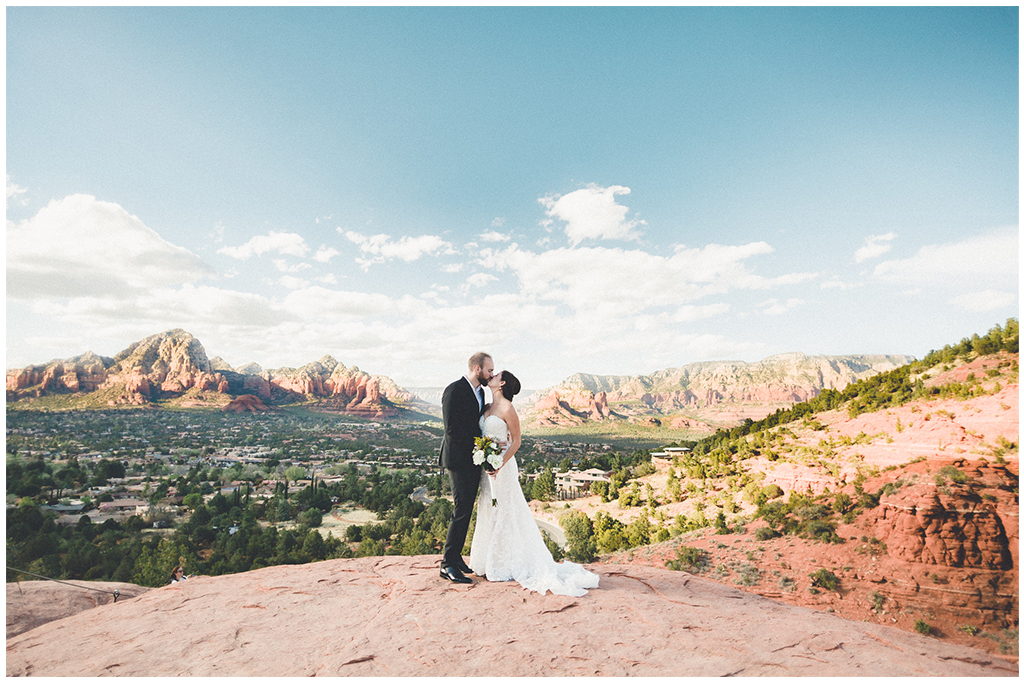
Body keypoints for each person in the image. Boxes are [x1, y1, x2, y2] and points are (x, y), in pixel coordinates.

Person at [469, 370, 600, 597]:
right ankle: (485, 561)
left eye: (496, 374)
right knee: (488, 508)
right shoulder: (486, 406)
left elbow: (517, 441)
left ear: (502, 383)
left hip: (502, 466)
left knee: (506, 510)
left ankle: (504, 564)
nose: (491, 375)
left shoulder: (508, 408)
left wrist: (499, 462)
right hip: (486, 466)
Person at [438, 351, 494, 584]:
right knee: (461, 509)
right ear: (477, 369)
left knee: (467, 509)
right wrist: (479, 446)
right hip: (459, 460)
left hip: (474, 460)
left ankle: (457, 558)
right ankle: (447, 564)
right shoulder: (454, 390)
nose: (492, 374)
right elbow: (451, 429)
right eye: (489, 370)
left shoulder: (481, 393)